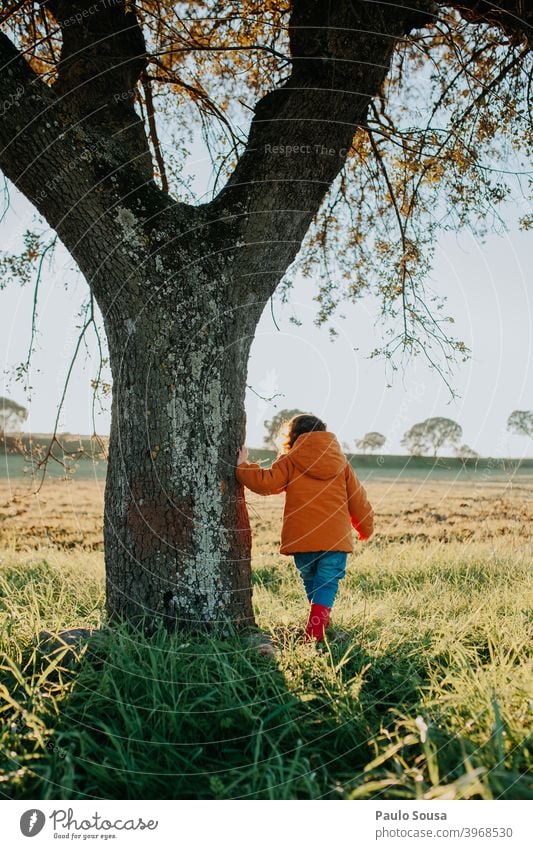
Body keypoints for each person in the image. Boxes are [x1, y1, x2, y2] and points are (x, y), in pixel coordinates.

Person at [236, 413, 374, 642]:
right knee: (327, 583)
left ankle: (317, 626)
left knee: (312, 580)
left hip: (303, 539)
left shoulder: (290, 461)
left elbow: (266, 483)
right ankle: (317, 628)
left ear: (292, 437)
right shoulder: (341, 464)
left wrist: (243, 467)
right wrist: (365, 528)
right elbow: (358, 500)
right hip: (335, 540)